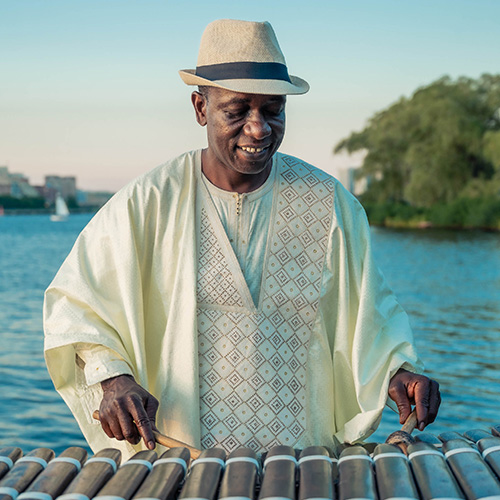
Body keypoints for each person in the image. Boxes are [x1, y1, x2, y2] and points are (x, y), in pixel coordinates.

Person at [43, 19, 440, 458]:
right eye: (237, 111)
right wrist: (113, 378)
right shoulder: (149, 201)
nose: (259, 128)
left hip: (305, 461)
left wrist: (398, 372)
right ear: (200, 108)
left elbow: (370, 315)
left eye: (273, 110)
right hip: (184, 462)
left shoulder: (331, 205)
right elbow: (74, 306)